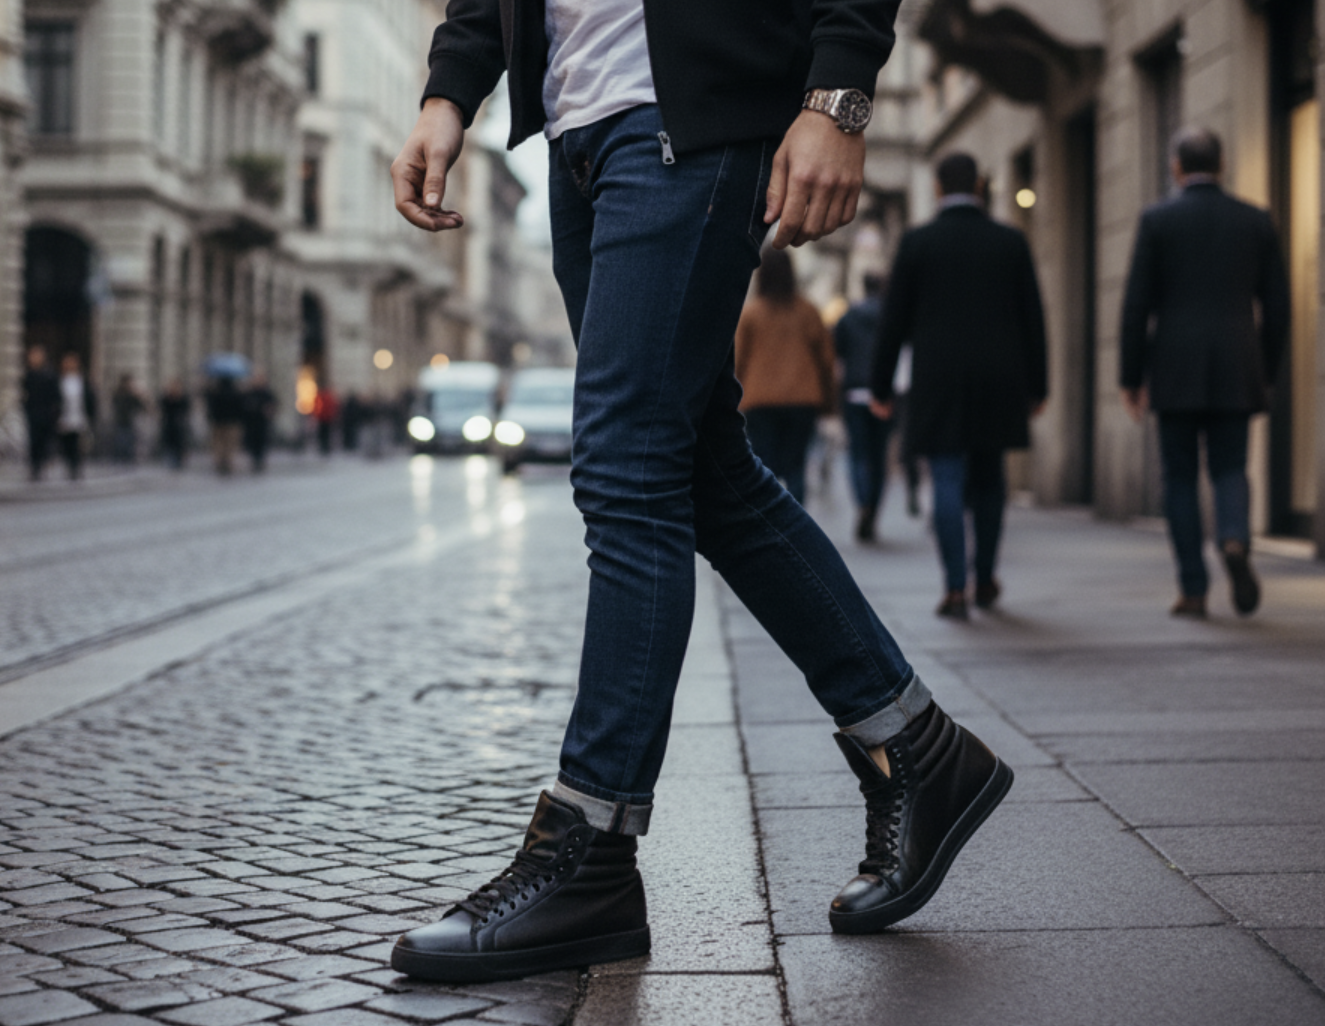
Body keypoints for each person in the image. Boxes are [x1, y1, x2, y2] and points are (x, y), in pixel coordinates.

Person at [387, 0, 1013, 984]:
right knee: (705, 468)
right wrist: (448, 89)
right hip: (578, 130)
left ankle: (589, 847)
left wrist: (838, 97)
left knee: (625, 469)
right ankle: (916, 748)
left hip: (688, 115)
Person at [1120, 127, 1289, 618]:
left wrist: (1131, 377)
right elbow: (1277, 306)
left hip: (1174, 368)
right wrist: (1267, 368)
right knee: (1230, 466)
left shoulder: (1157, 220)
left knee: (1178, 477)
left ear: (1176, 167)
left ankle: (1193, 589)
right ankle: (1234, 539)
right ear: (1223, 165)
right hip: (1238, 364)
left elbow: (1137, 306)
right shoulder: (1254, 221)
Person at [873, 153, 1048, 620]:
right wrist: (1039, 383)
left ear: (935, 187)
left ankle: (954, 587)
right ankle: (985, 576)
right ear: (980, 185)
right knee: (990, 479)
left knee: (946, 478)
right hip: (999, 376)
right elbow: (1033, 317)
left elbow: (893, 323)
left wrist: (880, 385)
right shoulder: (1010, 241)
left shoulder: (916, 243)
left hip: (938, 378)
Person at [735, 248, 835, 505]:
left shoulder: (751, 314)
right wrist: (829, 403)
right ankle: (797, 529)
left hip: (759, 400)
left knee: (763, 468)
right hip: (803, 399)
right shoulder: (808, 311)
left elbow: (736, 362)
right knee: (796, 467)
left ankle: (767, 528)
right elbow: (826, 360)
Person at [834, 273, 893, 540]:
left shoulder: (849, 316)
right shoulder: (890, 314)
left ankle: (863, 504)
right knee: (879, 457)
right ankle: (872, 509)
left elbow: (837, 351)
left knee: (858, 454)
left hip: (854, 393)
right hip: (885, 394)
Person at [21, 346, 61, 482]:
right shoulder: (29, 374)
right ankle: (35, 468)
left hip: (46, 414)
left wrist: (54, 413)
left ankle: (42, 466)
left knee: (45, 442)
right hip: (33, 414)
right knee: (34, 442)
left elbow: (56, 396)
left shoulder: (49, 374)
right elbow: (25, 394)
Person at [56, 352, 97, 481]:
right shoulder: (60, 381)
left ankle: (76, 468)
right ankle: (69, 466)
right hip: (64, 417)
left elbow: (90, 399)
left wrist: (91, 416)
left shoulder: (82, 381)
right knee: (66, 444)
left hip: (79, 417)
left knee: (78, 445)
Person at [205, 376, 244, 475]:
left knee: (219, 443)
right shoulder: (236, 393)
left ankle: (220, 462)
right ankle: (228, 462)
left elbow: (210, 407)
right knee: (230, 444)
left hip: (218, 422)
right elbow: (240, 407)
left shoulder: (215, 393)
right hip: (232, 422)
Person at [242, 372, 278, 473]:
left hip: (262, 422)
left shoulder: (266, 393)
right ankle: (255, 460)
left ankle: (260, 460)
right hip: (251, 423)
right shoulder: (249, 393)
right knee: (252, 443)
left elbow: (273, 405)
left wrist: (269, 411)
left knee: (262, 442)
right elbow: (243, 405)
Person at [111, 374, 147, 464]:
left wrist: (139, 396)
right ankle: (121, 459)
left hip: (130, 422)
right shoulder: (118, 393)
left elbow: (141, 406)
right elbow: (116, 405)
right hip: (121, 421)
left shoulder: (132, 395)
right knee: (121, 442)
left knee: (129, 442)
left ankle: (128, 460)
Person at [159, 379, 192, 471]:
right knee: (169, 442)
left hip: (180, 424)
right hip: (169, 424)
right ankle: (171, 459)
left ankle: (180, 459)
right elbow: (162, 408)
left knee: (180, 443)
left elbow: (186, 409)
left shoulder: (183, 398)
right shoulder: (166, 398)